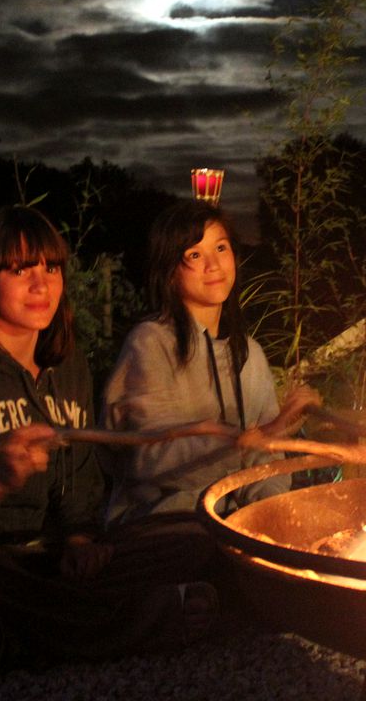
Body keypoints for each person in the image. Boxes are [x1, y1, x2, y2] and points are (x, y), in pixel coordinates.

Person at [0, 205, 217, 672]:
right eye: (20, 270)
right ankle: (136, 620)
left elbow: (81, 480)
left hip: (48, 558)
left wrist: (80, 539)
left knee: (192, 534)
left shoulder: (68, 365)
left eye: (52, 268)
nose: (41, 285)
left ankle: (10, 634)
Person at [102, 200, 317, 527]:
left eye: (220, 248)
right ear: (169, 272)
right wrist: (253, 439)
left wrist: (272, 516)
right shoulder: (150, 343)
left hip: (230, 526)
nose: (213, 265)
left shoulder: (250, 355)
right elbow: (151, 460)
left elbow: (266, 462)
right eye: (194, 255)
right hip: (161, 525)